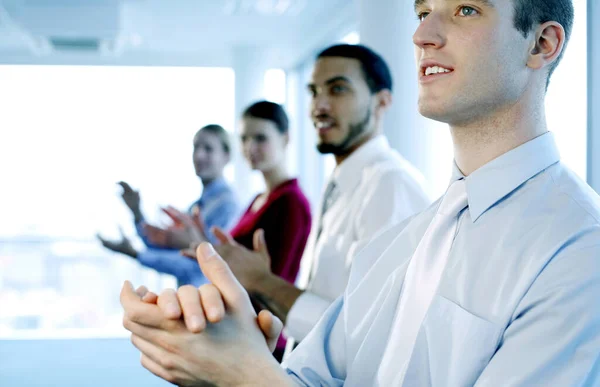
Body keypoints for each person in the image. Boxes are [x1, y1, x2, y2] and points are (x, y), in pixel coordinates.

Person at [121, 0, 600, 385]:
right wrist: (230, 350)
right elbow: (314, 374)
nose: (421, 36)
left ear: (542, 43)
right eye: (421, 12)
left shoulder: (581, 248)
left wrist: (247, 377)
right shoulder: (410, 238)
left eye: (465, 10)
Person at [179, 44, 431, 345]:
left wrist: (260, 281)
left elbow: (369, 333)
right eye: (314, 91)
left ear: (382, 102)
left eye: (337, 89)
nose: (319, 105)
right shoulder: (339, 185)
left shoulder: (390, 185)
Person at [98, 124, 239, 287]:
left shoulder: (228, 206)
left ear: (227, 156)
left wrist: (136, 254)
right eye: (196, 147)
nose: (199, 155)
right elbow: (162, 248)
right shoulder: (197, 206)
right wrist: (136, 212)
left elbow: (199, 265)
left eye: (208, 149)